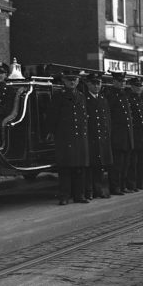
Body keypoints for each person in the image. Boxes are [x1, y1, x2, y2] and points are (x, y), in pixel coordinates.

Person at [47, 69, 90, 205]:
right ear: (64, 81)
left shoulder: (81, 96)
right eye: (69, 80)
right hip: (65, 137)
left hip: (80, 137)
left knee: (80, 167)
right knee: (65, 168)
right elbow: (52, 116)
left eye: (74, 80)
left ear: (78, 81)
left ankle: (79, 195)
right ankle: (64, 196)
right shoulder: (58, 96)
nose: (72, 82)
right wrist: (51, 132)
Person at [83, 72, 112, 199]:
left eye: (98, 83)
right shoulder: (84, 99)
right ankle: (89, 192)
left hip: (102, 138)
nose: (96, 86)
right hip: (90, 138)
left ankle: (99, 190)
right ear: (88, 84)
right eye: (93, 83)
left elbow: (107, 120)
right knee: (90, 167)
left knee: (100, 166)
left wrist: (107, 134)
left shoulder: (103, 99)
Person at [104, 71, 133, 195]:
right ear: (114, 82)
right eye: (119, 81)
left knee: (125, 164)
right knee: (116, 165)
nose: (122, 83)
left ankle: (122, 185)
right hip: (117, 136)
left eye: (123, 81)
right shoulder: (110, 95)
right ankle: (115, 187)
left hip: (126, 135)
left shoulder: (124, 95)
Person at [125, 77, 143, 191]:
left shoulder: (140, 99)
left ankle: (139, 183)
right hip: (134, 133)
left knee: (141, 161)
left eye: (140, 86)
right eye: (137, 86)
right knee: (133, 161)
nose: (139, 88)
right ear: (132, 87)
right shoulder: (129, 99)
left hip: (141, 134)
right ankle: (132, 184)